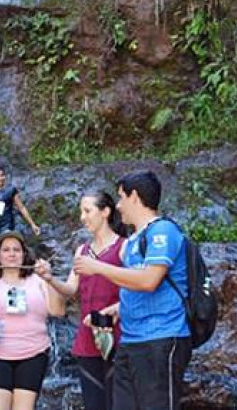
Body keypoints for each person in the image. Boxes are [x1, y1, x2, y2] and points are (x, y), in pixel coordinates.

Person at [73, 171, 191, 410]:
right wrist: (118, 308)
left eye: (121, 198)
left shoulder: (162, 231)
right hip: (131, 339)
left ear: (134, 197)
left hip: (160, 337)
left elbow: (149, 280)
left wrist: (98, 267)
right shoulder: (136, 239)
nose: (118, 205)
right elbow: (138, 285)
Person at [35, 191, 127, 410]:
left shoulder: (125, 247)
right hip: (88, 337)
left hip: (119, 335)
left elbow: (136, 289)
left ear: (105, 212)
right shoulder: (82, 251)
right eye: (81, 212)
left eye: (87, 211)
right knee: (93, 403)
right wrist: (49, 278)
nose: (82, 217)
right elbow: (70, 289)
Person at [0, 231, 64, 410]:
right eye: (6, 250)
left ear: (24, 254)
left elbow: (58, 310)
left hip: (33, 354)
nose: (12, 253)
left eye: (16, 250)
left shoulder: (39, 279)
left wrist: (50, 278)